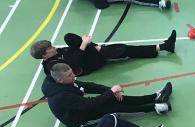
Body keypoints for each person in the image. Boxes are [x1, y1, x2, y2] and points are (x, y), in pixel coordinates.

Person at [42, 63, 172, 127]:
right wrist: (110, 93)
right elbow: (89, 104)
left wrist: (112, 91)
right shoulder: (61, 95)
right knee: (112, 108)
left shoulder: (66, 81)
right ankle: (155, 107)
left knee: (116, 98)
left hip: (81, 106)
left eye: (72, 72)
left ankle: (155, 97)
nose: (74, 76)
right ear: (59, 80)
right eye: (69, 75)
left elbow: (90, 86)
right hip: (79, 118)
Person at [31, 30, 176, 78]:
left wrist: (90, 46)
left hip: (85, 55)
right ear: (44, 55)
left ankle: (100, 48)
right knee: (122, 49)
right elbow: (74, 63)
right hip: (88, 65)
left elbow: (72, 50)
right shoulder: (52, 66)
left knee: (69, 36)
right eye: (50, 48)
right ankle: (163, 47)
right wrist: (84, 45)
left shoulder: (56, 53)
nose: (54, 47)